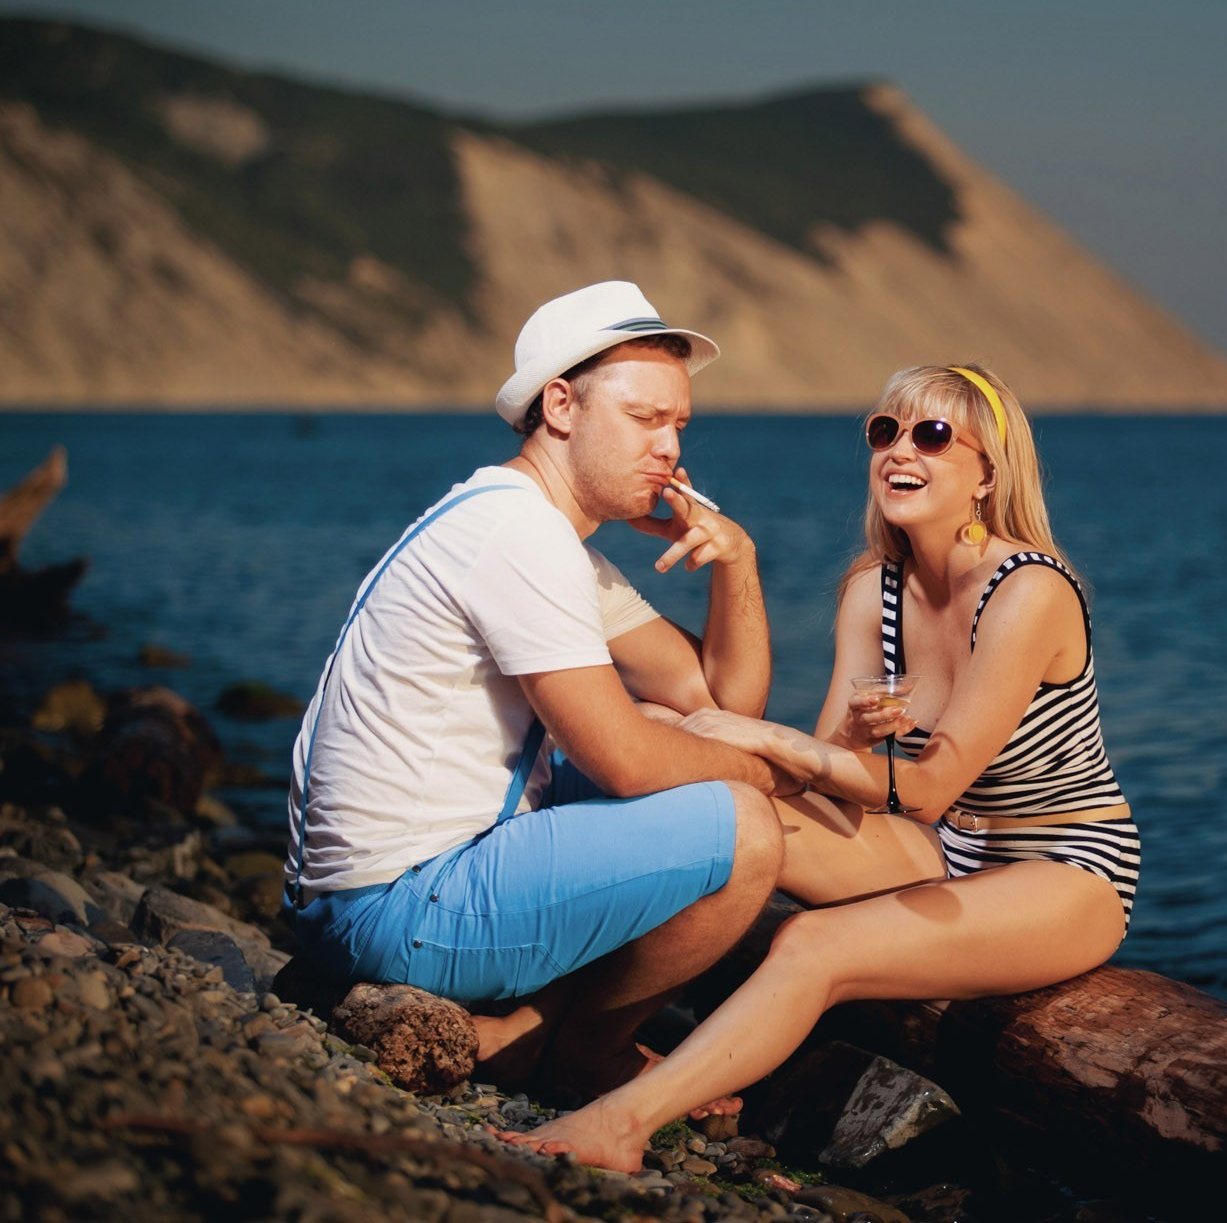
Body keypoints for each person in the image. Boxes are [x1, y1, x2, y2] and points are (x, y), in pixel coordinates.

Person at [500, 363, 1141, 1171]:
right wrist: (839, 738)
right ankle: (565, 1030)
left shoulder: (1030, 591)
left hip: (1065, 865)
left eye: (931, 435)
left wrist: (762, 734)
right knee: (703, 789)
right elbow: (832, 771)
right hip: (943, 848)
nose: (900, 450)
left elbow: (928, 786)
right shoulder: (874, 587)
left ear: (988, 474)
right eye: (885, 431)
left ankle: (621, 1124)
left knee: (812, 942)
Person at [283, 279, 787, 1102]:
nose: (669, 447)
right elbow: (626, 762)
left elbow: (717, 699)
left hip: (351, 900)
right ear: (560, 406)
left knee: (675, 724)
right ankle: (584, 1054)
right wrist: (771, 773)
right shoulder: (520, 537)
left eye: (678, 424)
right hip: (389, 909)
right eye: (644, 417)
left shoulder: (541, 534)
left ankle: (525, 1028)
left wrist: (739, 561)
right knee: (750, 828)